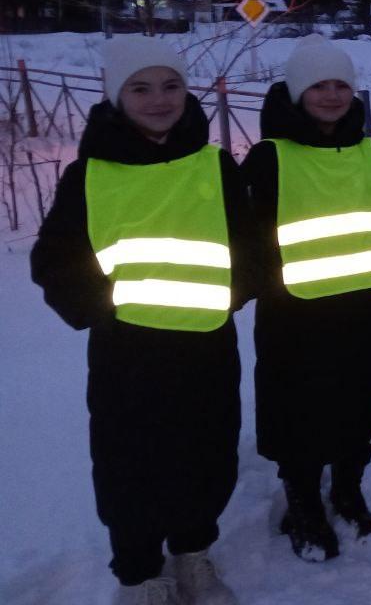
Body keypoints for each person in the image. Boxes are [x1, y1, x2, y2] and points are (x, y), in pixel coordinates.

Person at [30, 38, 256, 605]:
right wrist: (100, 306)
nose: (159, 100)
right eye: (141, 88)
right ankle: (139, 574)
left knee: (206, 453)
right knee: (131, 463)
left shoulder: (214, 164)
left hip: (206, 344)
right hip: (128, 353)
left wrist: (236, 290)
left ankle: (193, 554)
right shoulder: (90, 174)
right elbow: (55, 259)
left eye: (171, 86)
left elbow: (249, 241)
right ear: (116, 96)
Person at [241, 35, 371, 561]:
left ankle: (347, 488)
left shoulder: (369, 152)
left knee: (357, 403)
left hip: (360, 307)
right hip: (294, 313)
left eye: (341, 85)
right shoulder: (269, 158)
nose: (332, 95)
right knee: (299, 411)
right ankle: (303, 499)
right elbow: (248, 237)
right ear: (297, 93)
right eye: (319, 86)